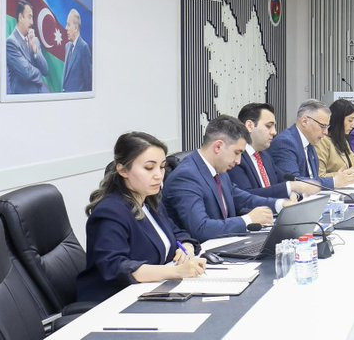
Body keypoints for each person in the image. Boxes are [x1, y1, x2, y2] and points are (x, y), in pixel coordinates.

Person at [77, 132, 206, 303]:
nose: (159, 175)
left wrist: (186, 249)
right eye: (149, 168)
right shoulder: (110, 212)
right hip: (114, 301)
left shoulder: (150, 201)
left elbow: (178, 233)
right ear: (123, 170)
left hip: (152, 292)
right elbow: (116, 267)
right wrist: (176, 271)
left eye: (162, 167)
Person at [164, 115, 293, 242]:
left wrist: (280, 205)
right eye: (237, 153)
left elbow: (243, 199)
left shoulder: (219, 169)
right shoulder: (185, 177)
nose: (238, 161)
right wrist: (248, 220)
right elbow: (201, 229)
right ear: (218, 147)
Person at [228, 103, 323, 199]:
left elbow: (283, 180)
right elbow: (245, 197)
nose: (274, 132)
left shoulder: (265, 156)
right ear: (249, 126)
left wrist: (294, 193)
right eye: (268, 126)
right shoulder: (236, 158)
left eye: (274, 126)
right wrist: (291, 187)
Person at [268, 99, 354, 189]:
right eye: (322, 126)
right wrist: (334, 181)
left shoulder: (309, 143)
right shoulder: (285, 143)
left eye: (327, 127)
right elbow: (294, 182)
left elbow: (314, 178)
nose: (326, 132)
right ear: (304, 121)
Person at [5, 0, 49, 94]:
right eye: (29, 17)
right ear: (21, 17)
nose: (32, 22)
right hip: (22, 100)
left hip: (38, 98)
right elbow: (27, 72)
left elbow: (45, 70)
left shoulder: (35, 40)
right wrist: (40, 73)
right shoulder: (11, 43)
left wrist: (35, 50)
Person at [61, 8, 92, 92]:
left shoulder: (84, 48)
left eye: (68, 25)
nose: (66, 28)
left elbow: (88, 81)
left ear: (75, 28)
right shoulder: (67, 46)